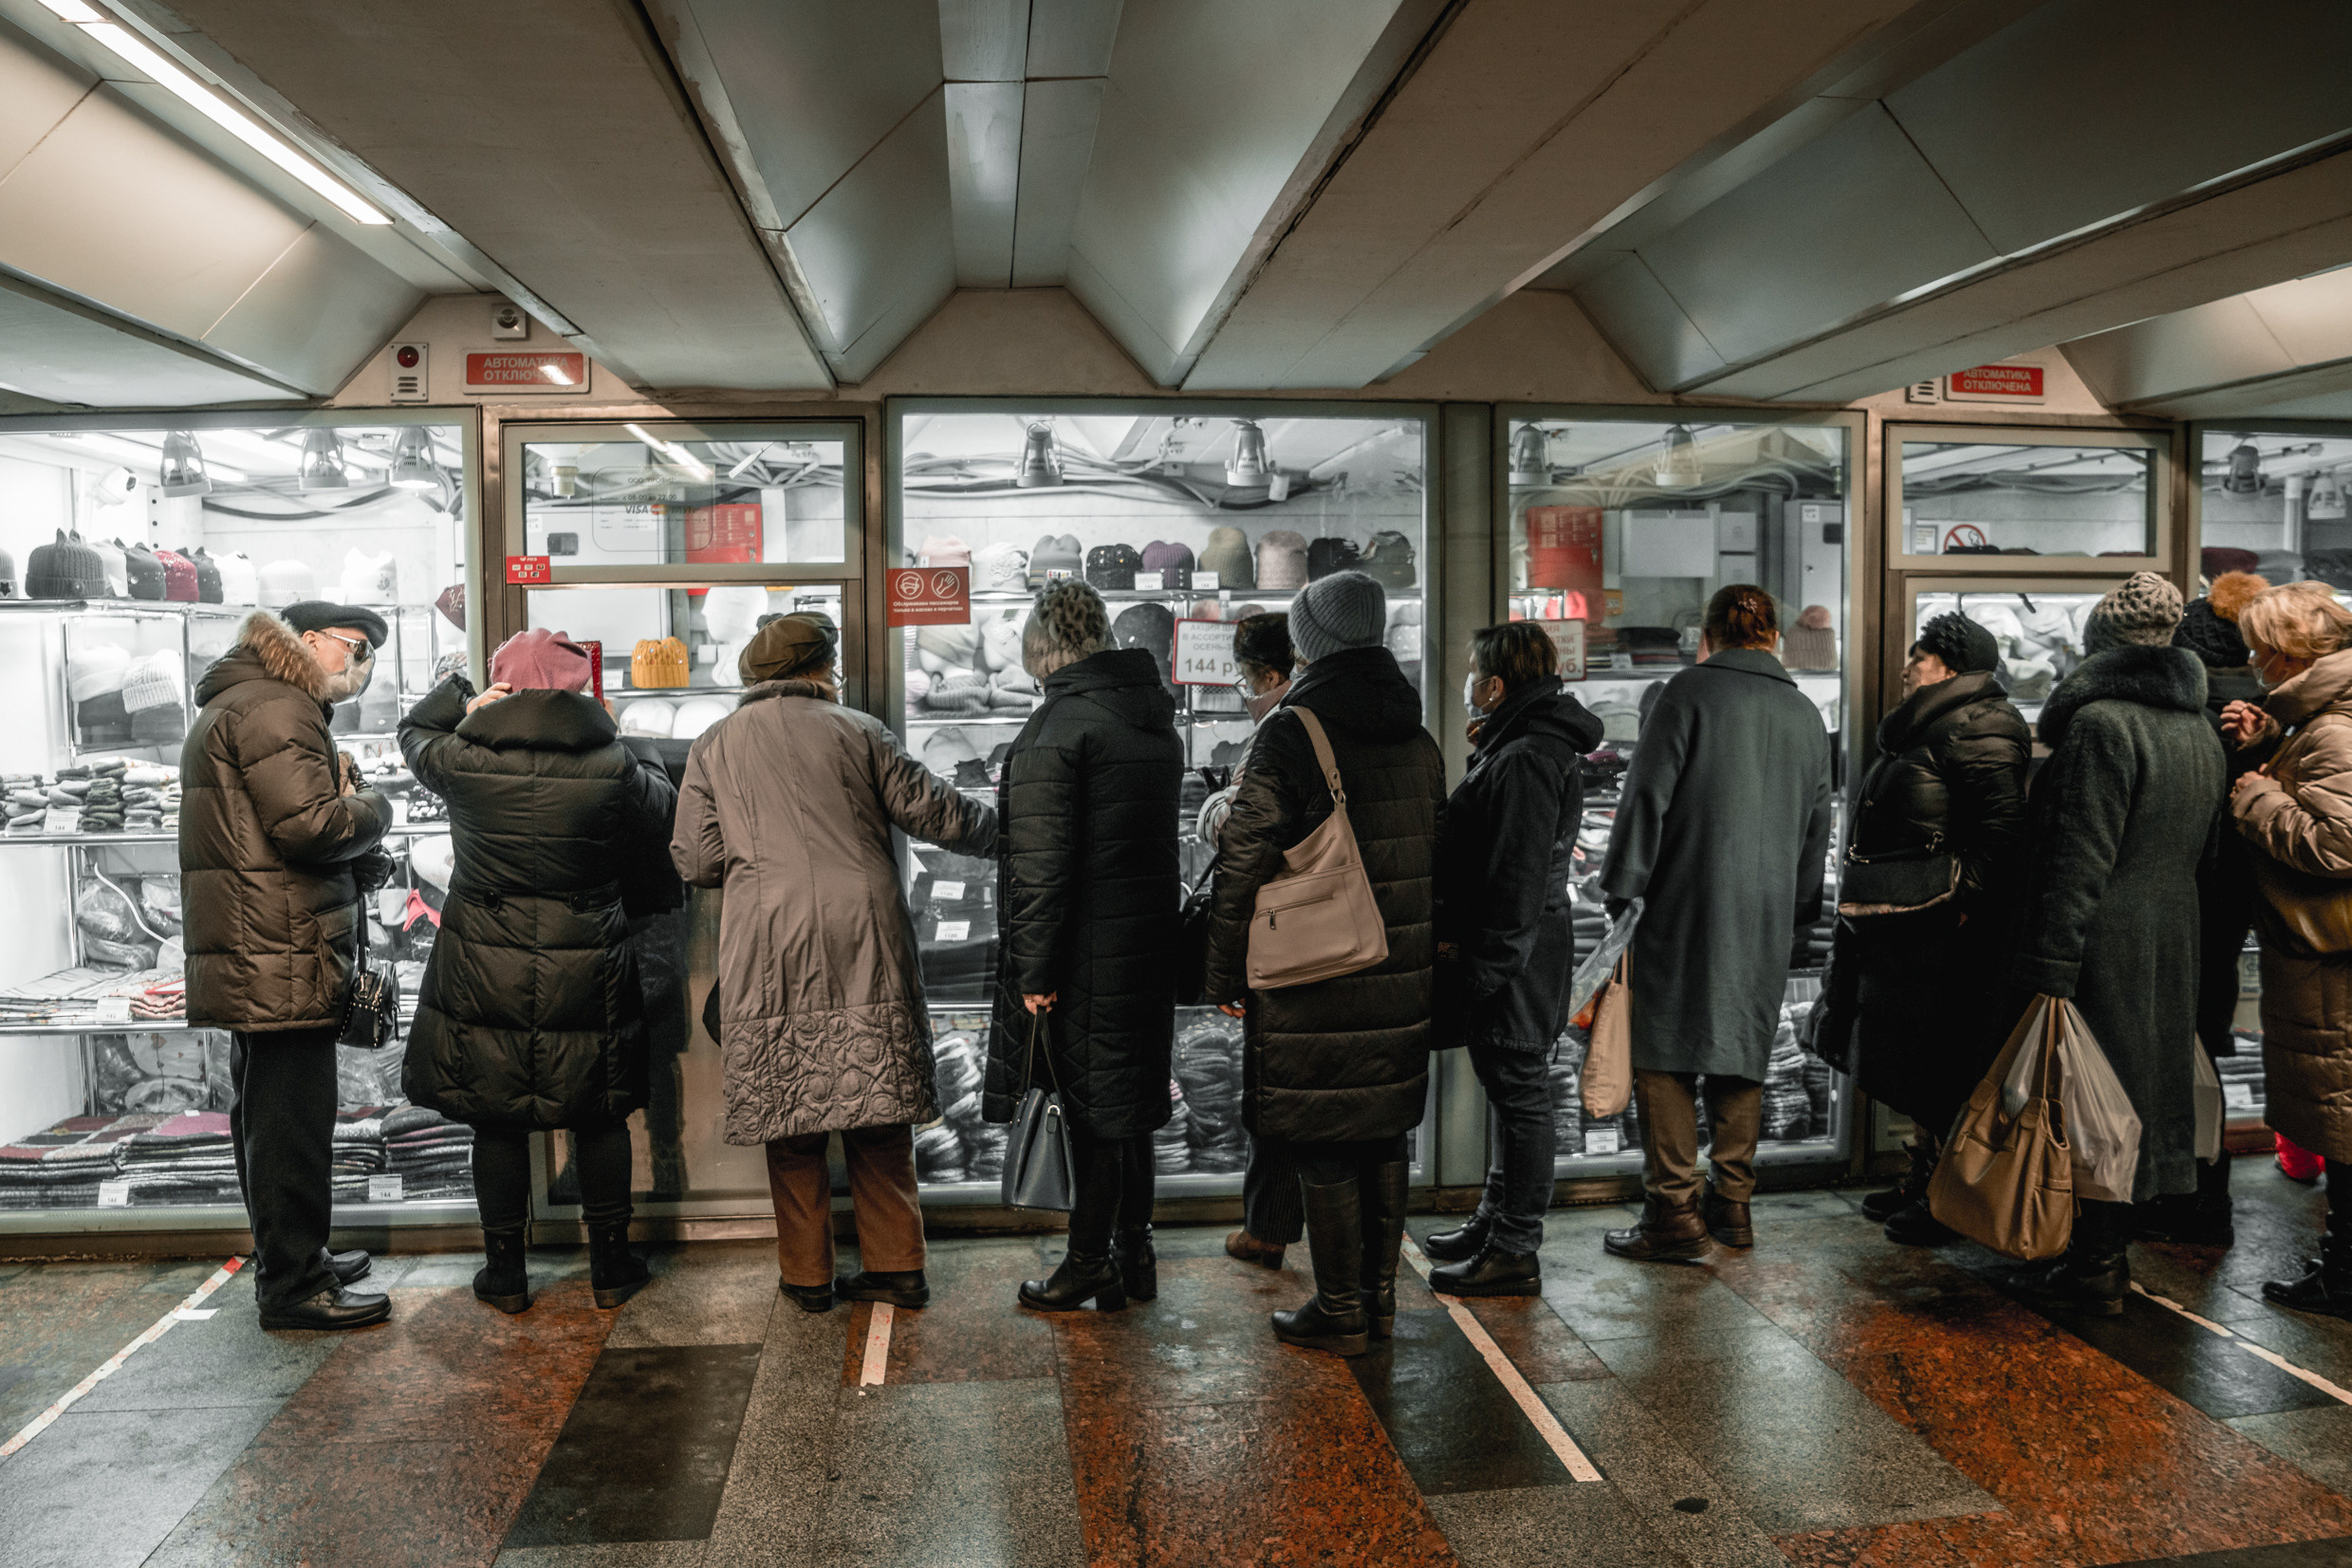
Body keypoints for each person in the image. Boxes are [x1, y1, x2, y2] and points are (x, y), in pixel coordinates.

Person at [673, 613, 995, 1313]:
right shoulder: (859, 730)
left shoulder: (714, 744)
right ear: (819, 668)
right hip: (865, 931)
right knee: (878, 1109)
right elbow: (939, 813)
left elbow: (695, 859)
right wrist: (1015, 829)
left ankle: (808, 1276)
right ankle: (897, 1265)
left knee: (792, 1120)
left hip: (767, 939)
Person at [1202, 570, 1444, 1356]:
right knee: (1382, 1133)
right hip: (1397, 965)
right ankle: (1376, 1302)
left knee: (1321, 1134)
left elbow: (1243, 853)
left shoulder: (1292, 730)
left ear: (1309, 642)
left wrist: (1223, 967)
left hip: (1316, 966)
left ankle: (1338, 1306)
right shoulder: (1417, 731)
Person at [401, 628, 677, 1313]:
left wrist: (467, 702)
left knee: (494, 1120)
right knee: (598, 1112)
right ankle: (610, 1267)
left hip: (483, 958)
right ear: (579, 686)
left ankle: (506, 1273)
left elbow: (411, 731)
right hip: (587, 954)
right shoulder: (611, 760)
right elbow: (665, 812)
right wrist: (623, 735)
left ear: (503, 683)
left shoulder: (461, 756)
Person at [1598, 585, 1832, 1262]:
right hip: (1765, 908)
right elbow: (1816, 826)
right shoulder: (1802, 713)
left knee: (1665, 1053)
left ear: (1706, 635)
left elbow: (1645, 798)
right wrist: (1797, 914)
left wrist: (1623, 891)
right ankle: (1732, 1203)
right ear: (1772, 639)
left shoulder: (1684, 694)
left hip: (1681, 900)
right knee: (1741, 1049)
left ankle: (1671, 1209)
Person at [2011, 571, 2222, 1315]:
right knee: (2140, 1088)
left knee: (2091, 1098)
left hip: (2106, 931)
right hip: (2174, 926)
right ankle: (2109, 1247)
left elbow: (2077, 855)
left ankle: (2094, 1260)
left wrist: (2050, 961)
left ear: (2096, 646)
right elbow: (2211, 850)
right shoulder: (2196, 726)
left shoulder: (2100, 725)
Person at [181, 601, 396, 1331]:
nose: (361, 663)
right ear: (307, 642)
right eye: (355, 647)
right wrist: (375, 805)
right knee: (290, 1121)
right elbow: (311, 825)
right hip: (276, 946)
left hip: (263, 941)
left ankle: (295, 1256)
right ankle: (295, 1285)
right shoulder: (278, 707)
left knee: (271, 1117)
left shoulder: (249, 699)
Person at [978, 581, 1181, 1313]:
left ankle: (1088, 1260)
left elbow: (1040, 868)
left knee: (1093, 1111)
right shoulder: (1152, 719)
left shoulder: (1055, 729)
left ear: (1040, 647)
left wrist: (1034, 971)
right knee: (1131, 1104)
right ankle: (1136, 1253)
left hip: (1082, 955)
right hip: (1144, 945)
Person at [1826, 612, 2029, 1246]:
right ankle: (1921, 1175)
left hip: (1945, 926)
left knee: (1941, 1060)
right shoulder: (1931, 722)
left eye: (1917, 656)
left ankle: (1944, 1195)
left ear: (1948, 665)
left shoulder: (1983, 725)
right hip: (1907, 918)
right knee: (1911, 1058)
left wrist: (1963, 900)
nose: (1907, 666)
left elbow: (2001, 829)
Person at [1420, 622, 1602, 1293]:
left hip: (1515, 954)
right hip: (1517, 948)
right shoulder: (1522, 743)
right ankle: (1494, 1220)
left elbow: (1516, 876)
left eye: (1473, 672)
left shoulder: (1526, 754)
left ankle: (1515, 1247)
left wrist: (1483, 969)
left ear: (1495, 684)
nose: (1467, 684)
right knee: (1509, 1091)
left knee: (1523, 1097)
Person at [2223, 582, 2352, 1318]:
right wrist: (2270, 746)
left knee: (2341, 1120)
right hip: (2326, 955)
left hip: (2330, 958)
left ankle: (2344, 1271)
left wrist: (2255, 795)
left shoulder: (2334, 729)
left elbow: (2338, 843)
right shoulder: (2319, 720)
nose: (2249, 660)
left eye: (2257, 646)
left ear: (2289, 652)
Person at [2137, 570, 2269, 1245]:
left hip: (2182, 899)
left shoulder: (2186, 713)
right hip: (2236, 907)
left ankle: (2181, 1194)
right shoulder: (2272, 710)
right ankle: (2206, 1194)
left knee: (2169, 1045)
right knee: (2208, 1045)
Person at [1214, 612, 1303, 1270]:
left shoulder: (1281, 731)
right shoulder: (1388, 721)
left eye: (1247, 680)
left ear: (1271, 676)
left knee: (1271, 1086)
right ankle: (1357, 1262)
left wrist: (1211, 810)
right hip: (1357, 933)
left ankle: (1268, 1228)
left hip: (1285, 928)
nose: (1245, 693)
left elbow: (1241, 836)